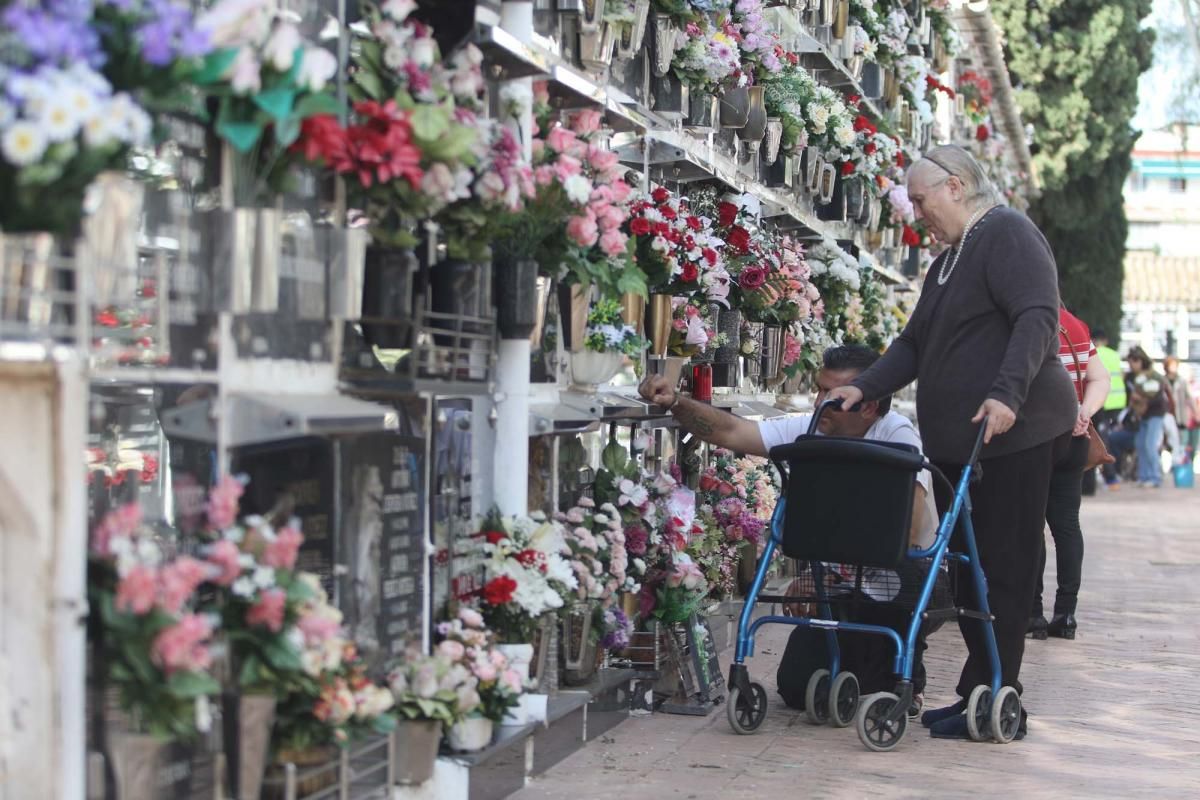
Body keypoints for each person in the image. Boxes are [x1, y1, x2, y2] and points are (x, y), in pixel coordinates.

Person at [824, 144, 1077, 741]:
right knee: (965, 570)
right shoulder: (946, 262)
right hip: (962, 445)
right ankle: (979, 689)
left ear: (957, 185)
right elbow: (912, 346)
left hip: (1013, 434)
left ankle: (995, 693)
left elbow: (1038, 317)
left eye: (921, 199)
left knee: (1004, 564)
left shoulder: (1008, 233)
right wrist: (861, 390)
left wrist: (1007, 395)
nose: (917, 214)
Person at [637, 344, 938, 711]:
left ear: (870, 405)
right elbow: (733, 431)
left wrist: (829, 570)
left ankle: (903, 676)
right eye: (818, 389)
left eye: (832, 394)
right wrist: (676, 402)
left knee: (880, 684)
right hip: (840, 582)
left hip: (897, 581)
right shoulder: (814, 426)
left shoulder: (899, 438)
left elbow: (907, 530)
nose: (818, 402)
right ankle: (846, 663)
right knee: (796, 686)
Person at [1028, 308, 1110, 641]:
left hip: (1036, 439)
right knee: (1067, 527)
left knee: (1030, 526)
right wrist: (1084, 411)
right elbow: (1100, 377)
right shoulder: (1076, 325)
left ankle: (1032, 613)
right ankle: (1066, 614)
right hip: (1075, 438)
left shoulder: (1031, 323)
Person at [1089, 327, 1127, 488]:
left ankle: (1111, 477)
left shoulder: (1094, 354)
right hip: (1119, 403)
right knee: (1112, 439)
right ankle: (1115, 473)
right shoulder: (1114, 354)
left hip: (1102, 403)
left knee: (1103, 440)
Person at [1126, 346, 1168, 488]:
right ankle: (1144, 476)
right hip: (1142, 416)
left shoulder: (1153, 376)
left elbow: (1157, 398)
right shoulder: (1134, 377)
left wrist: (1141, 400)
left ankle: (1155, 477)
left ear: (1139, 361)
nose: (1130, 366)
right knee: (1141, 445)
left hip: (1155, 414)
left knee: (1150, 445)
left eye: (1132, 362)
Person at [1163, 356, 1196, 466]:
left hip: (1180, 416)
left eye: (1175, 365)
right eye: (1171, 365)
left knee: (1182, 443)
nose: (1173, 368)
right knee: (1168, 443)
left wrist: (1196, 412)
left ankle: (1181, 466)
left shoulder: (1182, 381)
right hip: (1167, 416)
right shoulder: (1163, 380)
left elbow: (1189, 397)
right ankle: (1172, 466)